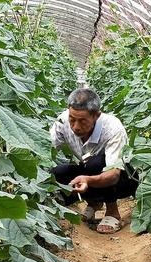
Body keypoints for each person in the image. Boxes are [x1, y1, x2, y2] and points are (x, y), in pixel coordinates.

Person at [50, 88, 138, 234]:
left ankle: (112, 212)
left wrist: (87, 180)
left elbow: (114, 174)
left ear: (96, 116)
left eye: (82, 121)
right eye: (72, 119)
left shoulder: (112, 128)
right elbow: (45, 149)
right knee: (58, 173)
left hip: (123, 179)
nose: (76, 127)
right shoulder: (63, 121)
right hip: (90, 172)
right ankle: (94, 202)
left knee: (95, 164)